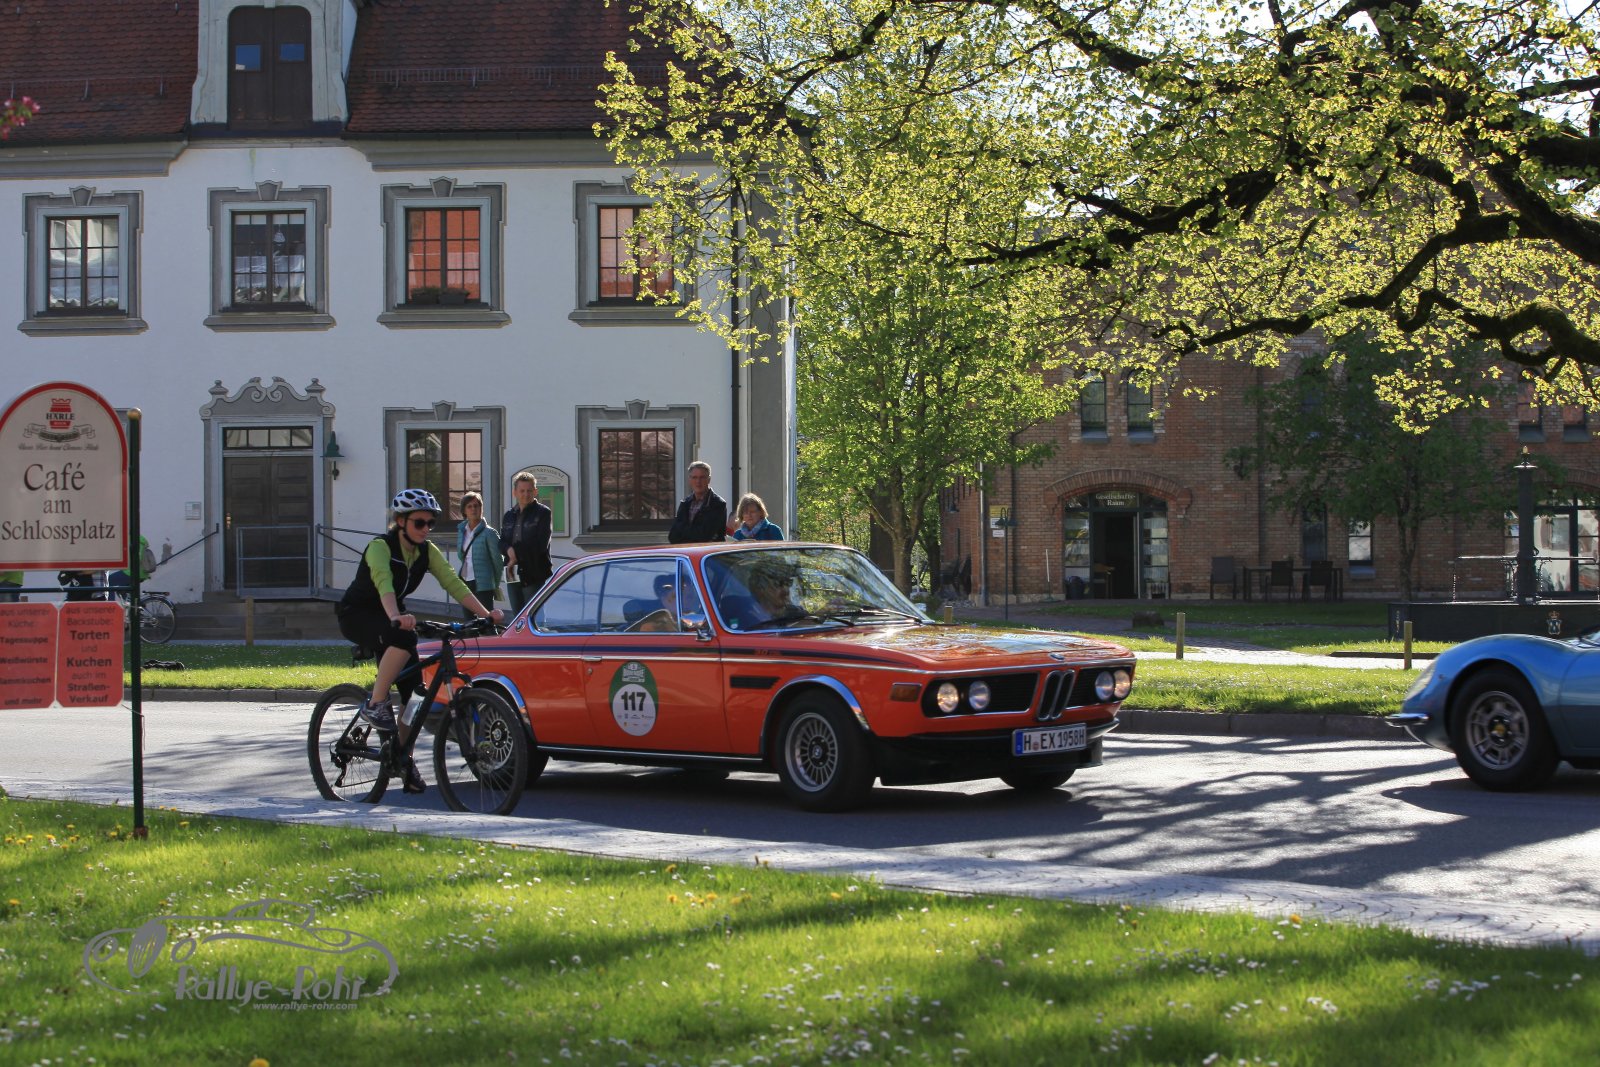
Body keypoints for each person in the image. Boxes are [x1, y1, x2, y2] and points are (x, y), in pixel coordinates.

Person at [335, 488, 503, 794]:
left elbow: (452, 581)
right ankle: (374, 704)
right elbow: (383, 583)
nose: (426, 529)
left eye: (430, 523)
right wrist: (395, 616)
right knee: (403, 637)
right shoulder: (380, 547)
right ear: (400, 521)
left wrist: (486, 614)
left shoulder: (426, 551)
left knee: (415, 695)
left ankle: (403, 757)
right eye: (419, 522)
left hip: (391, 617)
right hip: (358, 614)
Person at [500, 470, 553, 616]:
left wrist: (515, 555)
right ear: (515, 493)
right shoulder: (508, 515)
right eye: (522, 491)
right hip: (511, 571)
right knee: (517, 616)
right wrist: (508, 550)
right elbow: (501, 542)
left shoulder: (543, 513)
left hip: (533, 571)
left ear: (535, 491)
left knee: (534, 616)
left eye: (529, 490)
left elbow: (541, 545)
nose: (526, 494)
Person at [455, 491, 502, 618]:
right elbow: (461, 556)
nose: (473, 509)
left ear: (481, 508)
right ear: (464, 510)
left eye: (476, 506)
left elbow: (498, 561)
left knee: (486, 620)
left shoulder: (489, 533)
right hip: (465, 582)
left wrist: (494, 584)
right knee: (469, 621)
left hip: (483, 584)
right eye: (469, 506)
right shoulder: (461, 531)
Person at [668, 460, 728, 544]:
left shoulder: (717, 504)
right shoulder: (685, 503)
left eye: (702, 477)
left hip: (708, 551)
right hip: (685, 551)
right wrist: (694, 531)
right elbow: (672, 537)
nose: (698, 481)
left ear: (709, 479)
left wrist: (682, 529)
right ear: (690, 480)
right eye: (694, 477)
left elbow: (704, 535)